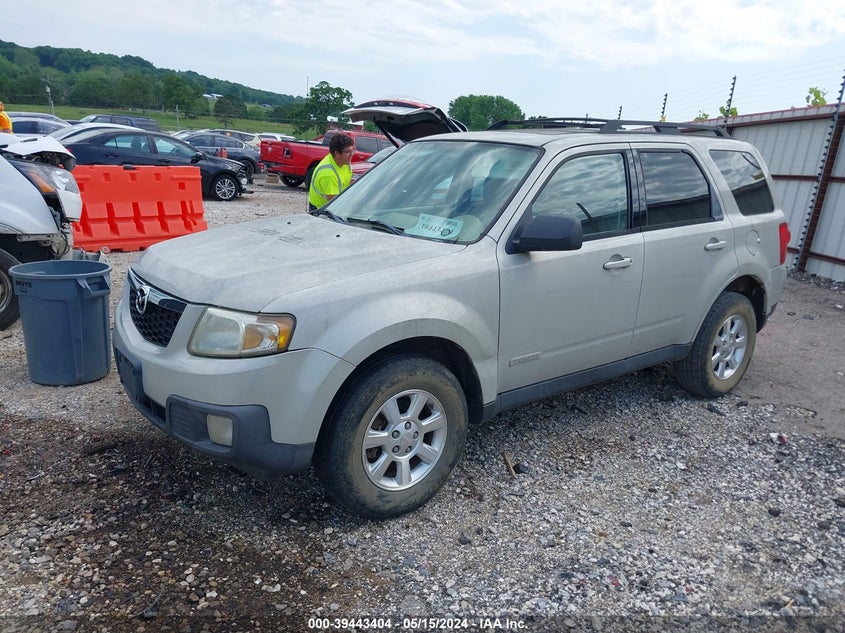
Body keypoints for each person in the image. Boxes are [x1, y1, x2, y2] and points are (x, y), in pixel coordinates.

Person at [308, 133, 354, 210]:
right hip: (321, 210)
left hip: (333, 204)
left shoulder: (344, 162)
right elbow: (334, 203)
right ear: (337, 153)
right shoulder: (328, 174)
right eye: (348, 151)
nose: (351, 154)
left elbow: (347, 182)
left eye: (352, 150)